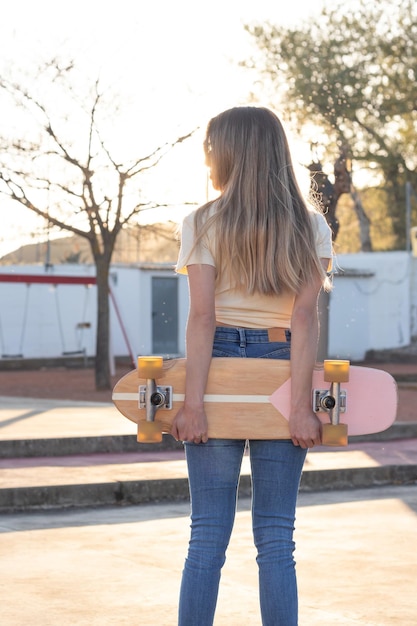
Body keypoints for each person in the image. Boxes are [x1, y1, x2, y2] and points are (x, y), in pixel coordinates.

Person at [171, 106, 333, 626]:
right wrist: (302, 408)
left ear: (231, 154)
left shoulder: (201, 221)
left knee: (207, 535)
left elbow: (202, 319)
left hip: (215, 366)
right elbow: (303, 320)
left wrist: (193, 405)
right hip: (283, 364)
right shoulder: (311, 227)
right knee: (275, 538)